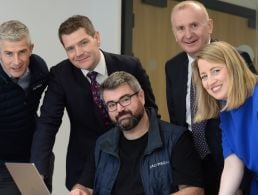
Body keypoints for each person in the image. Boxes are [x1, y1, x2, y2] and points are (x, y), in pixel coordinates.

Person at [30, 15, 158, 192]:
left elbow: (151, 113)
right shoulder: (61, 75)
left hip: (131, 162)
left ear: (96, 37)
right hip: (84, 167)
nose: (78, 53)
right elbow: (48, 124)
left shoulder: (130, 65)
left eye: (83, 43)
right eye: (70, 48)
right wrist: (39, 172)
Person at [165, 1, 255, 194]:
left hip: (227, 161)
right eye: (181, 28)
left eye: (194, 25)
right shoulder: (172, 67)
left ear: (210, 26)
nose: (188, 34)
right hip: (194, 160)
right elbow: (176, 117)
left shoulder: (237, 58)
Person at [71, 71, 204, 195]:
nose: (119, 109)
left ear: (141, 96)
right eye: (111, 104)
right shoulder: (102, 145)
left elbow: (194, 191)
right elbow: (85, 186)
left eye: (125, 99)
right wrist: (79, 190)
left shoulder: (176, 139)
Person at [192, 41, 258, 195]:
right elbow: (232, 164)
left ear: (233, 67)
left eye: (216, 71)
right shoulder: (226, 113)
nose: (210, 81)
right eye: (204, 76)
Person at [0, 20, 53, 194]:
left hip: (30, 156)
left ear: (31, 48)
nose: (16, 61)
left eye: (22, 52)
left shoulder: (39, 69)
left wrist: (39, 160)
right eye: (8, 53)